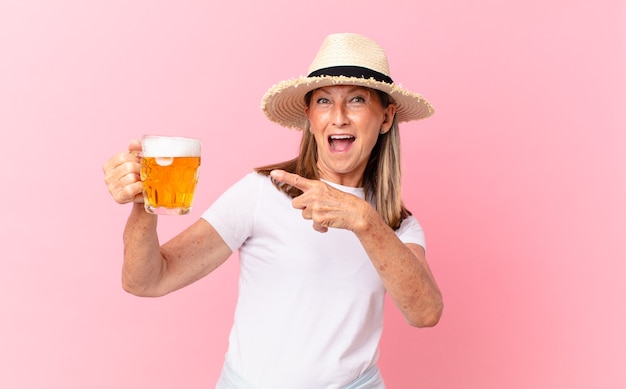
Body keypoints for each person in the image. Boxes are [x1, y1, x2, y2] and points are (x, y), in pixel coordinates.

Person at [103, 32, 443, 389]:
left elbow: (426, 312)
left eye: (357, 100)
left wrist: (365, 221)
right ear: (310, 116)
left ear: (386, 118)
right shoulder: (260, 193)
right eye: (325, 101)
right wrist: (145, 204)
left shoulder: (397, 225)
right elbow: (146, 280)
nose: (339, 117)